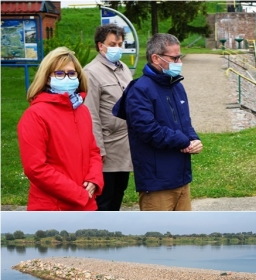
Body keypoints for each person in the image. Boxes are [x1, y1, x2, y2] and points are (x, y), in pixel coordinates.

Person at [113, 33, 202, 211]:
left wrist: (193, 138)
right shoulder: (139, 90)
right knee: (160, 236)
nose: (179, 62)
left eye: (180, 57)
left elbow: (185, 122)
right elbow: (148, 130)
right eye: (174, 58)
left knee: (185, 234)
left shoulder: (176, 85)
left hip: (181, 178)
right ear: (156, 58)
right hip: (157, 183)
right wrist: (183, 141)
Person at [17, 47, 103, 210]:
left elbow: (93, 151)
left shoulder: (81, 110)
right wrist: (78, 194)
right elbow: (35, 168)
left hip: (86, 204)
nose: (67, 77)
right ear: (48, 78)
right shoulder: (35, 115)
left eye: (71, 73)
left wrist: (94, 179)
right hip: (52, 207)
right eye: (59, 73)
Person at [83, 24, 133, 211]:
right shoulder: (91, 72)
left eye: (120, 44)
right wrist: (98, 150)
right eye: (113, 44)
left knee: (119, 193)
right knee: (104, 199)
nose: (118, 48)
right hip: (106, 147)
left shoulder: (123, 68)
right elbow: (90, 114)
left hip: (125, 146)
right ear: (100, 46)